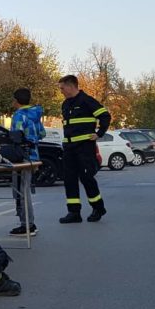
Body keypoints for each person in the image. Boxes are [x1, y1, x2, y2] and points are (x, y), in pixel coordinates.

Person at [58, 75, 110, 223]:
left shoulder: (86, 101)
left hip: (84, 148)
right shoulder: (65, 104)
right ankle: (74, 212)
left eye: (62, 88)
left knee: (87, 178)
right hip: (69, 148)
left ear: (71, 86)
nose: (61, 91)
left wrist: (99, 133)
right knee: (69, 180)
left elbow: (105, 116)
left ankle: (98, 208)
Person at [8, 88, 45, 236]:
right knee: (26, 189)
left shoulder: (19, 115)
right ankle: (28, 223)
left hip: (21, 156)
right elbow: (42, 133)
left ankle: (27, 225)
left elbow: (15, 136)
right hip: (34, 155)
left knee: (21, 191)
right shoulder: (35, 114)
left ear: (16, 100)